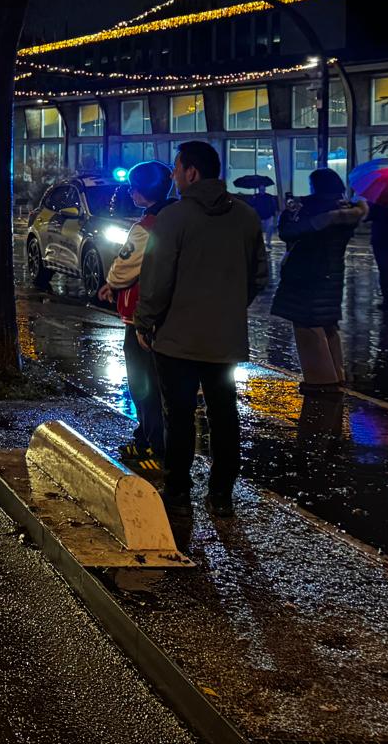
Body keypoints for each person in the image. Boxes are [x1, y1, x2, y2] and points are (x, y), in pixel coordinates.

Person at [134, 140, 268, 518]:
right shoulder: (245, 216)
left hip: (176, 340)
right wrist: (228, 308)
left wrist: (146, 321)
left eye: (177, 169)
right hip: (225, 339)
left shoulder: (174, 218)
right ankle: (222, 494)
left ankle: (177, 492)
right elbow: (259, 275)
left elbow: (156, 280)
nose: (174, 177)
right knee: (224, 414)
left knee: (179, 417)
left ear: (191, 172)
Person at [98, 160, 174, 469]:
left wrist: (111, 283)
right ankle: (153, 442)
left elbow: (124, 267)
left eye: (134, 188)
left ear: (143, 191)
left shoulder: (146, 227)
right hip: (171, 315)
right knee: (164, 386)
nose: (130, 193)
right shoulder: (178, 218)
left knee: (143, 385)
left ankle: (151, 446)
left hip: (142, 317)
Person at [271, 169, 368, 386]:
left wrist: (292, 212)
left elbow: (289, 232)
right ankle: (336, 374)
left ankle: (321, 382)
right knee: (328, 325)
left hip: (305, 275)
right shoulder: (348, 211)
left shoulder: (312, 209)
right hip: (332, 274)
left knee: (308, 326)